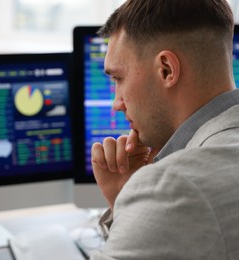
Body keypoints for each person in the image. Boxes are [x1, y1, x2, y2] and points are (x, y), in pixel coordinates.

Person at [90, 0, 239, 259]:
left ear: (166, 70)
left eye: (118, 78)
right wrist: (126, 203)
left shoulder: (173, 187)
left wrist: (143, 195)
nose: (116, 103)